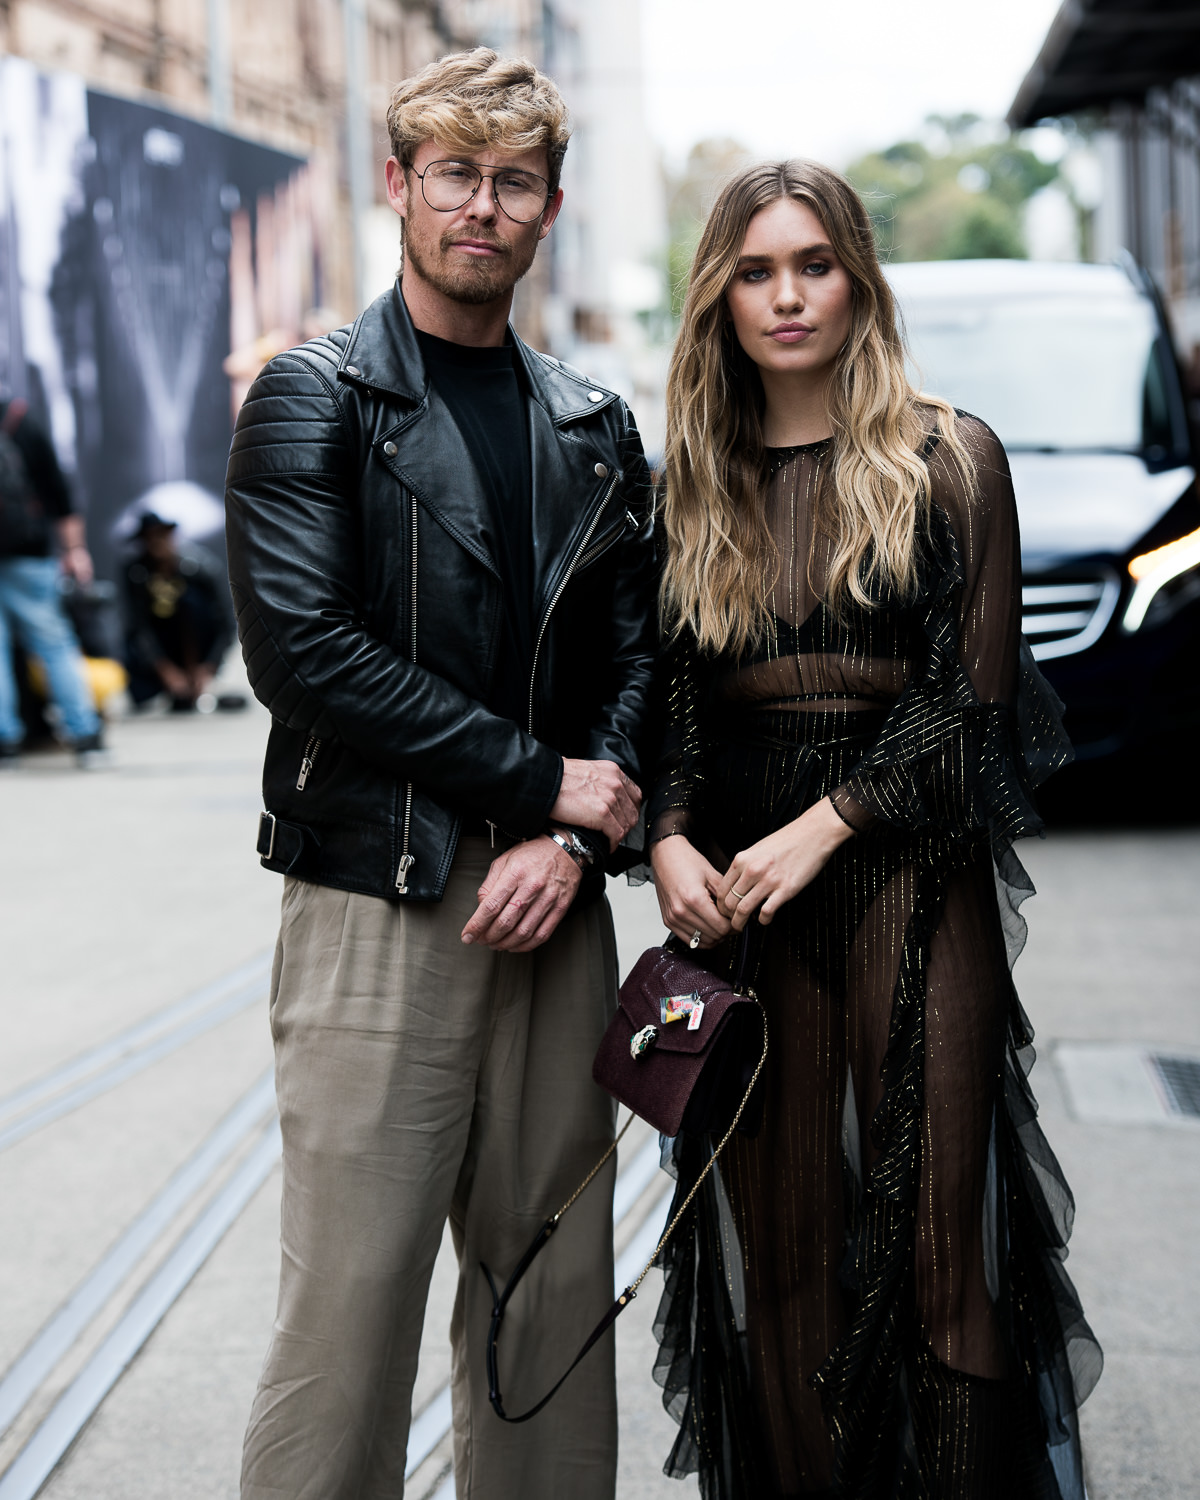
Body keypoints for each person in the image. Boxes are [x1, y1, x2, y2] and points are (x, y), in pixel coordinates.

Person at [225, 48, 657, 1500]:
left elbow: (642, 668)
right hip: (380, 894)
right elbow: (308, 656)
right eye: (456, 175)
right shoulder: (317, 399)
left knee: (548, 1307)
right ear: (399, 188)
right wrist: (542, 785)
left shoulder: (596, 429)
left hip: (557, 911)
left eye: (514, 181)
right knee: (347, 1319)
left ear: (548, 209)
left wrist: (575, 845)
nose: (484, 204)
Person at [645, 160, 1101, 1500]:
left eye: (814, 264)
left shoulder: (949, 459)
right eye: (754, 270)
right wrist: (669, 835)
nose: (787, 296)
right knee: (781, 1267)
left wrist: (825, 825)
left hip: (916, 878)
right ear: (720, 296)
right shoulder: (693, 484)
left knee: (940, 1260)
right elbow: (670, 707)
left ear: (860, 278)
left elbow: (975, 708)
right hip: (744, 902)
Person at [0, 395, 106, 765]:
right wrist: (76, 551)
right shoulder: (17, 420)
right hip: (28, 556)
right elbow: (57, 492)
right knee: (54, 646)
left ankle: (5, 744)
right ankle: (85, 735)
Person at [122, 512, 235, 710]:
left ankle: (198, 681)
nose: (156, 543)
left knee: (190, 602)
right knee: (142, 694)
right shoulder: (136, 573)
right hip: (161, 649)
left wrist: (210, 665)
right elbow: (138, 627)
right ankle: (170, 687)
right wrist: (164, 669)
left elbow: (225, 622)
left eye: (160, 535)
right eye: (148, 538)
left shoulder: (199, 568)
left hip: (200, 646)